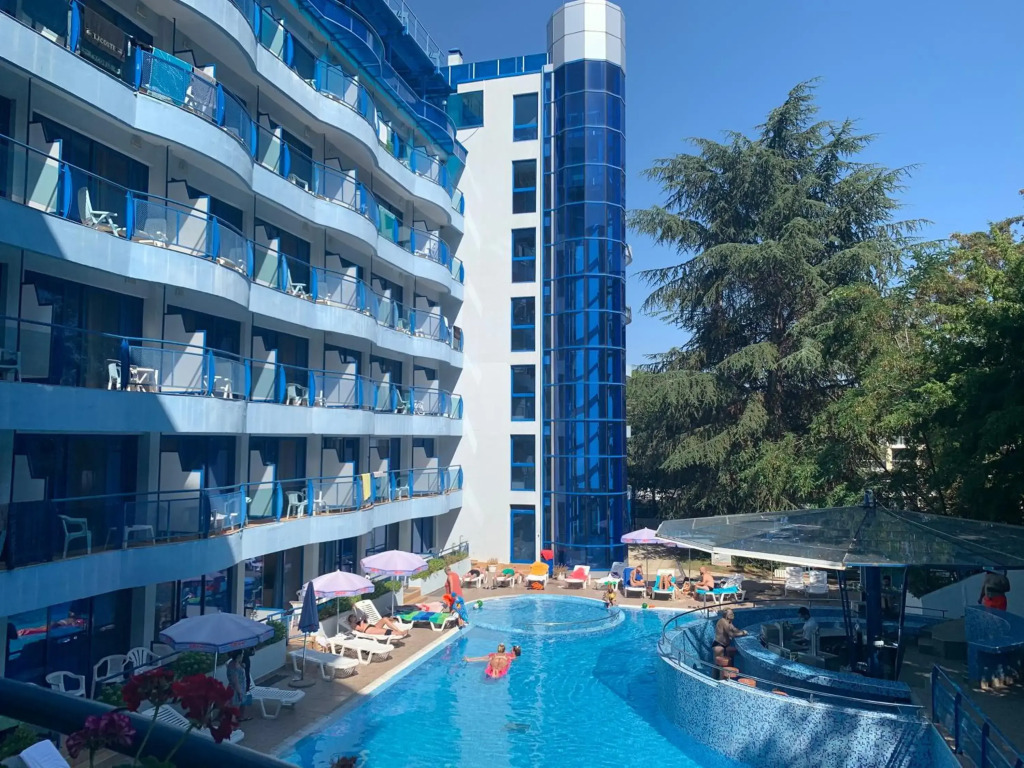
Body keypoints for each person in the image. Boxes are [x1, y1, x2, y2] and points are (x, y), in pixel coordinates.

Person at [225, 652, 252, 721]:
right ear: (238, 656)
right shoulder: (234, 667)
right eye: (242, 654)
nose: (243, 655)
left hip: (240, 688)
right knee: (234, 709)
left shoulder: (235, 663)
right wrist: (239, 693)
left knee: (236, 707)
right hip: (236, 690)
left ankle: (237, 719)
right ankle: (232, 724)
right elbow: (235, 682)